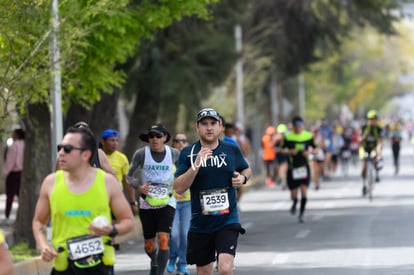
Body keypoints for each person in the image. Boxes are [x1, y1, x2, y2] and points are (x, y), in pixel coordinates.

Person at [32, 125, 134, 274]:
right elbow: (38, 221)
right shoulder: (51, 183)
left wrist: (112, 229)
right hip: (64, 265)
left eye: (67, 149)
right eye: (59, 148)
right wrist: (43, 246)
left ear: (85, 155)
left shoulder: (107, 182)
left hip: (100, 266)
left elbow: (128, 221)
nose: (61, 153)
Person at [174, 107, 251, 275]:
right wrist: (196, 164)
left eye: (213, 123)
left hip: (228, 220)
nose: (209, 128)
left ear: (220, 126)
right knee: (204, 272)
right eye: (204, 124)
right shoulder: (188, 153)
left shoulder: (231, 149)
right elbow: (179, 188)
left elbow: (246, 169)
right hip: (201, 224)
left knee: (225, 268)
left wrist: (242, 179)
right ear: (197, 127)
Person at [127, 123, 180, 275]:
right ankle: (154, 260)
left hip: (167, 202)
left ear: (165, 138)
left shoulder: (174, 153)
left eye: (158, 136)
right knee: (149, 245)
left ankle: (160, 272)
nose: (154, 139)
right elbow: (129, 176)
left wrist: (179, 183)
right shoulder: (141, 154)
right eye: (151, 136)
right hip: (147, 204)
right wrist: (138, 187)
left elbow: (184, 171)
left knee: (163, 239)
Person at [280, 116, 317, 223]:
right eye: (296, 126)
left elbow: (316, 149)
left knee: (304, 192)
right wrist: (289, 152)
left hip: (304, 167)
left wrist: (309, 152)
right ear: (293, 126)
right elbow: (281, 150)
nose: (298, 128)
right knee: (294, 193)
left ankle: (301, 214)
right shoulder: (288, 137)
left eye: (300, 126)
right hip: (292, 168)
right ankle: (295, 202)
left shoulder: (308, 136)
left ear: (302, 125)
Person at [167, 134, 191, 275]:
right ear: (173, 144)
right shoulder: (167, 161)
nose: (180, 143)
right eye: (177, 141)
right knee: (174, 235)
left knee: (185, 234)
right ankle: (172, 258)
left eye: (183, 141)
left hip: (188, 203)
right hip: (172, 202)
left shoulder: (192, 161)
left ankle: (182, 263)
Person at [100, 129, 137, 214]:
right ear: (103, 141)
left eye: (117, 141)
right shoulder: (97, 156)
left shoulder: (122, 158)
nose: (115, 143)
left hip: (116, 197)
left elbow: (127, 181)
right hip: (100, 197)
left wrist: (132, 202)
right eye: (112, 140)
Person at [2, 128, 25, 224]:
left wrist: (5, 173)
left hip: (13, 173)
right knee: (21, 194)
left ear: (17, 135)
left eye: (13, 133)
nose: (12, 135)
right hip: (22, 172)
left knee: (10, 195)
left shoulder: (13, 146)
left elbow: (10, 161)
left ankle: (7, 215)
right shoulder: (26, 145)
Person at [359, 110, 383, 196]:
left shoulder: (379, 129)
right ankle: (364, 185)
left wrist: (379, 152)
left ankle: (376, 174)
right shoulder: (364, 128)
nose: (372, 121)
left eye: (373, 119)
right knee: (364, 167)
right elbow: (359, 140)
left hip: (374, 148)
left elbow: (380, 142)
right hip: (365, 148)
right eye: (370, 119)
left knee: (377, 159)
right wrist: (364, 136)